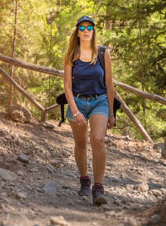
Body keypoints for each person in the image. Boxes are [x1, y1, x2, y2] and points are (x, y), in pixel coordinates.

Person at [63, 14, 115, 207]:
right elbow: (67, 86)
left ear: (94, 31)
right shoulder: (71, 56)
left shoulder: (103, 53)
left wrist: (111, 113)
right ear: (77, 33)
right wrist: (75, 111)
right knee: (81, 143)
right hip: (77, 102)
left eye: (89, 28)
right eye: (82, 28)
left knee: (98, 139)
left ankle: (98, 188)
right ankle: (84, 180)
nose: (86, 31)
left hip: (99, 101)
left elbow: (109, 85)